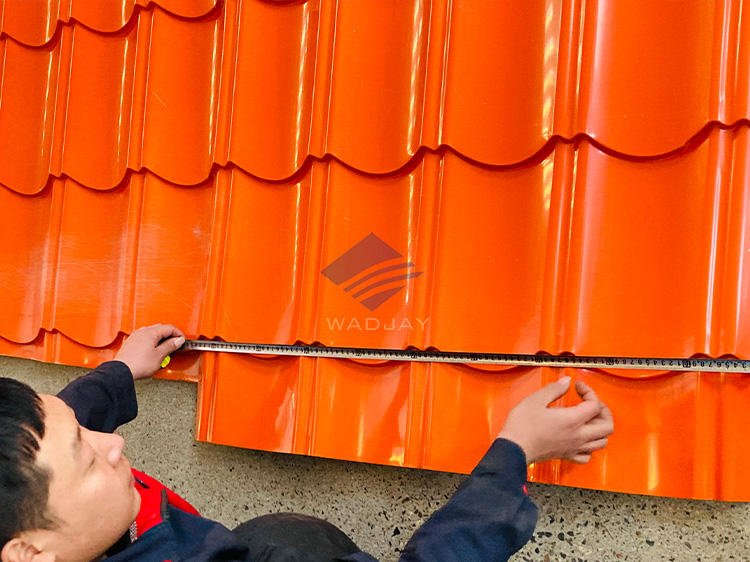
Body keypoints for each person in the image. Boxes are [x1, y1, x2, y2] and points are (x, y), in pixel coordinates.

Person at [0, 324, 614, 562]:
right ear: (29, 553)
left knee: (285, 533)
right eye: (87, 456)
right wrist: (514, 454)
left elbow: (54, 424)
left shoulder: (31, 501)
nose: (110, 444)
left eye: (84, 427)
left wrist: (120, 372)